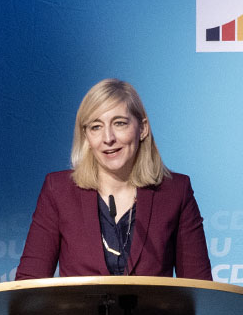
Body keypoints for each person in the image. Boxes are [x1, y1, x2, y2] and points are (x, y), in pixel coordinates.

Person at [15, 78, 212, 281]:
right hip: (79, 304)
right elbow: (28, 283)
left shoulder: (175, 192)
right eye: (96, 127)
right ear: (86, 136)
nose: (108, 138)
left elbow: (199, 287)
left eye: (119, 123)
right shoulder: (58, 190)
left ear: (142, 128)